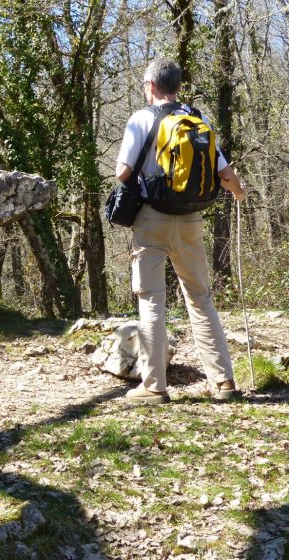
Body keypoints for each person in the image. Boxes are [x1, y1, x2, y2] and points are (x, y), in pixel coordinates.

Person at [115, 58, 246, 404]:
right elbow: (224, 171)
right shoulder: (195, 120)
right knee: (200, 298)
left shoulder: (141, 120)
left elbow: (122, 172)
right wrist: (238, 193)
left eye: (145, 83)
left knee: (151, 301)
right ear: (177, 87)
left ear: (152, 85)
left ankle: (154, 387)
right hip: (190, 220)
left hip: (151, 221)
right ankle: (223, 382)